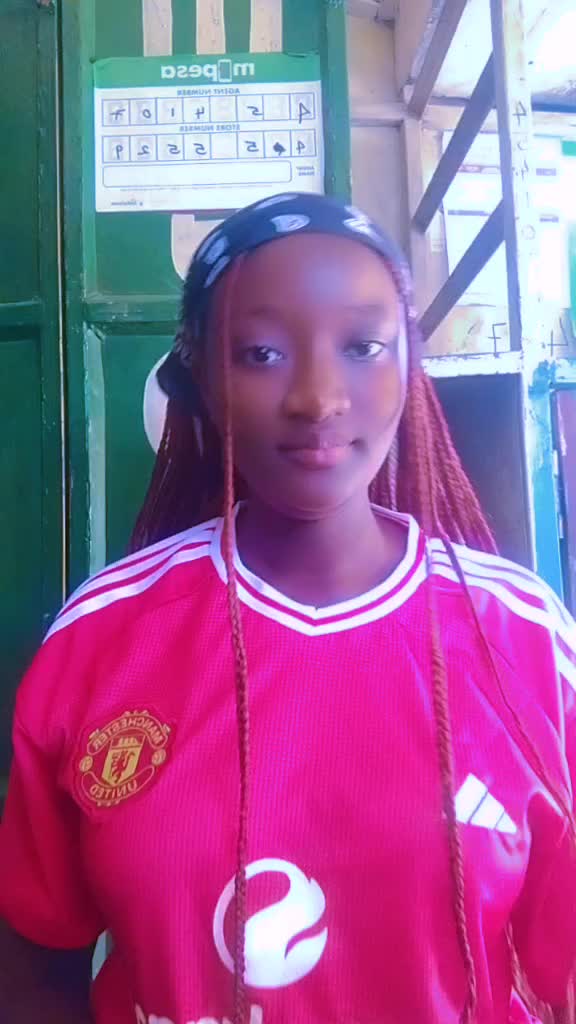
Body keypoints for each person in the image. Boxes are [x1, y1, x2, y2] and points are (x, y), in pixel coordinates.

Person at [0, 193, 575, 1024]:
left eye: (363, 346)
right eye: (261, 353)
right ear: (199, 378)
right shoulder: (101, 640)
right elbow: (33, 955)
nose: (318, 397)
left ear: (408, 365)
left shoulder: (519, 639)